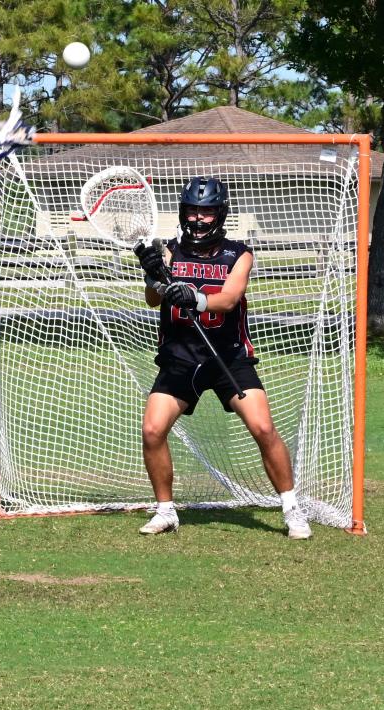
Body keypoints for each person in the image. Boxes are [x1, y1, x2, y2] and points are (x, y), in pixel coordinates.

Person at [133, 175, 311, 540]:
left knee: (262, 428)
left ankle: (292, 508)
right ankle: (166, 511)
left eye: (207, 212)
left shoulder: (239, 254)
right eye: (194, 211)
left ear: (220, 215)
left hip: (228, 357)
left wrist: (194, 299)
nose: (199, 219)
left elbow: (229, 300)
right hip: (181, 357)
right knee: (152, 430)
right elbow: (152, 300)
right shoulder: (169, 250)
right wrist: (154, 275)